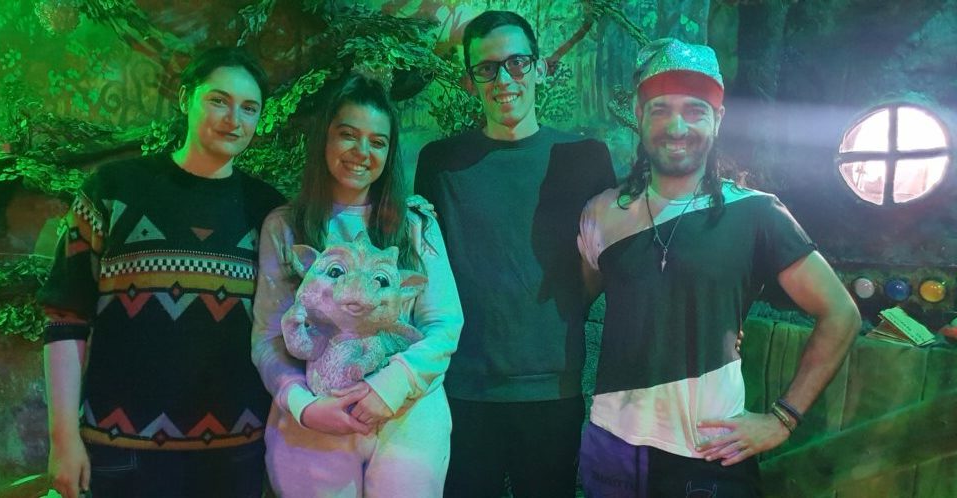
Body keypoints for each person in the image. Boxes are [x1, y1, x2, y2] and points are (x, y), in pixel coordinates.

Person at [576, 38, 861, 496]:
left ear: (718, 118)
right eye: (661, 109)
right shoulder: (602, 213)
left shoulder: (757, 212)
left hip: (708, 453)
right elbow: (572, 304)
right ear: (639, 114)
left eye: (695, 110)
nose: (677, 126)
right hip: (611, 447)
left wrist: (783, 418)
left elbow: (841, 313)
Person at [39, 46, 287, 498]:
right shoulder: (113, 190)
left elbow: (282, 330)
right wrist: (63, 438)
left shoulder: (269, 211)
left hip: (235, 455)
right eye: (219, 100)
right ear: (185, 98)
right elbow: (65, 318)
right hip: (122, 452)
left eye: (249, 108)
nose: (234, 119)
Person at [414, 10, 617, 498]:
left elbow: (605, 263)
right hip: (462, 387)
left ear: (539, 68)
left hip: (552, 388)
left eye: (517, 63)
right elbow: (426, 267)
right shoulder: (440, 163)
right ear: (470, 81)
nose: (504, 79)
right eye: (487, 68)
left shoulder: (585, 158)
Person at [251, 74, 464, 497]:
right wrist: (304, 406)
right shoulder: (285, 226)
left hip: (406, 415)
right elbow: (268, 335)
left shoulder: (415, 224)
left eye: (377, 142)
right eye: (348, 135)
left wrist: (390, 386)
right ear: (325, 138)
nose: (362, 152)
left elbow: (444, 323)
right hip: (316, 418)